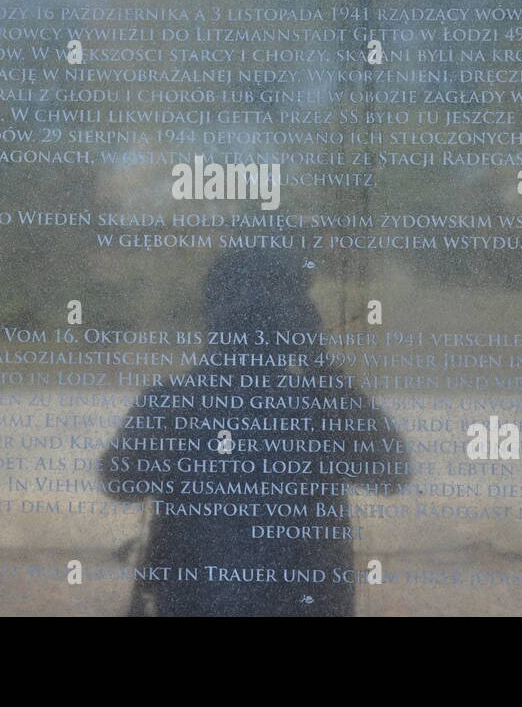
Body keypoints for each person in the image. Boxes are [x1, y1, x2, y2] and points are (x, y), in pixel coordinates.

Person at [101, 249, 406, 616]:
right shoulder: (320, 404)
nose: (255, 323)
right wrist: (316, 360)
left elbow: (391, 472)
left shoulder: (176, 402)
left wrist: (312, 362)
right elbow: (391, 471)